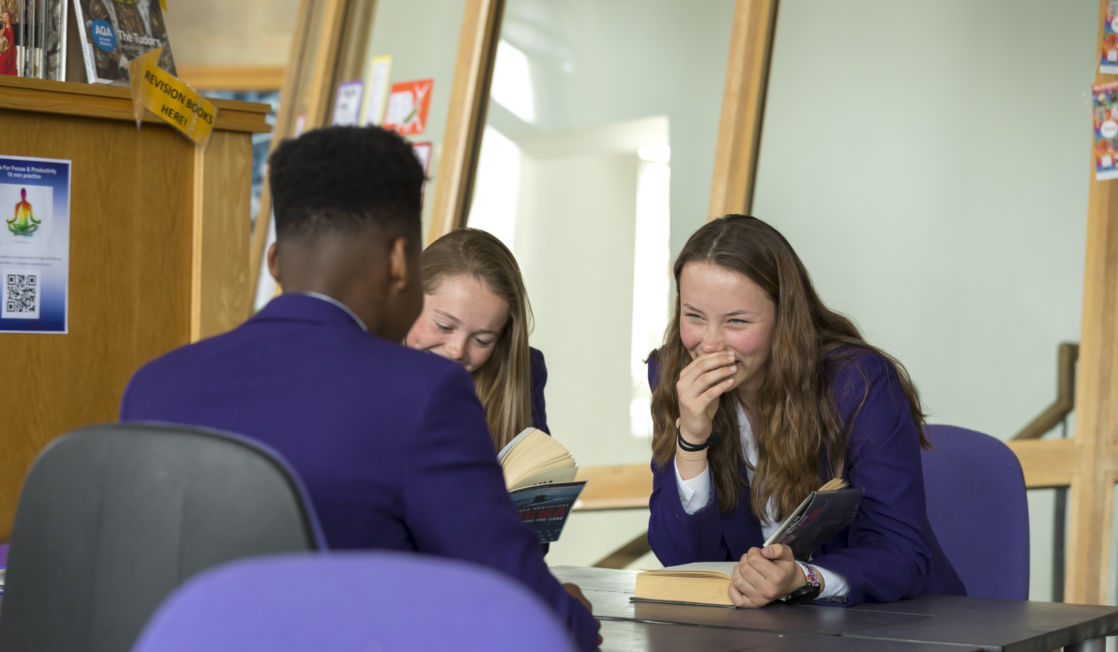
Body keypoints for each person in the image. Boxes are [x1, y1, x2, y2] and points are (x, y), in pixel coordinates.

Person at [120, 125, 599, 650]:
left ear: (276, 262)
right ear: (400, 264)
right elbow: (514, 596)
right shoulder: (423, 394)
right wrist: (575, 620)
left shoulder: (151, 386)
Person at [647, 214, 964, 607]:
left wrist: (802, 578)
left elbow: (901, 552)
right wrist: (691, 439)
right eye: (694, 316)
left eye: (737, 321)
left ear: (784, 317)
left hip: (891, 624)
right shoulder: (672, 373)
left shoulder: (858, 382)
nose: (709, 344)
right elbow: (683, 562)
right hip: (757, 632)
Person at [406, 228, 549, 450]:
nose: (457, 350)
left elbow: (539, 475)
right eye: (444, 326)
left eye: (482, 340)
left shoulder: (526, 370)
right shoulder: (358, 360)